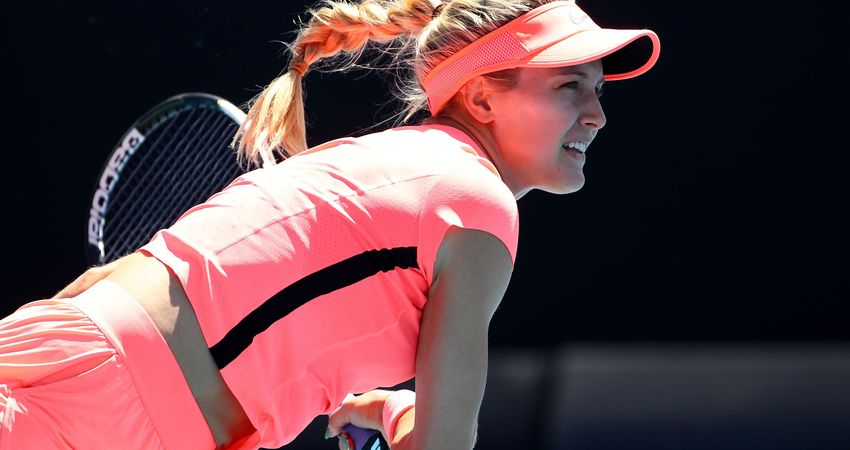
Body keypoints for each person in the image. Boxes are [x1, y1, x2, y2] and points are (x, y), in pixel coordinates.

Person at [0, 0, 660, 449]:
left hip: (80, 362)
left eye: (597, 88)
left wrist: (383, 410)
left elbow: (275, 326)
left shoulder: (391, 166)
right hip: (107, 410)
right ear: (482, 96)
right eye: (568, 85)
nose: (596, 113)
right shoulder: (479, 204)